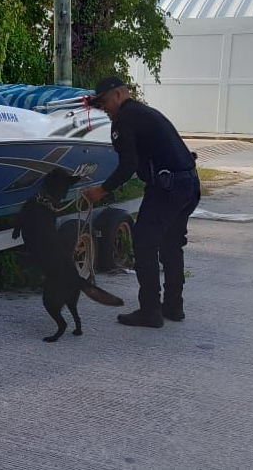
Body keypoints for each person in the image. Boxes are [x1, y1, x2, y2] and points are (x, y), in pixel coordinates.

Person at [82, 77, 200, 329]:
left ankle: (150, 311)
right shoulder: (145, 112)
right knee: (171, 244)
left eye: (104, 103)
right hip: (188, 183)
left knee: (144, 243)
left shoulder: (124, 119)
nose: (105, 109)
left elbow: (128, 166)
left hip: (166, 189)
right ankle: (173, 307)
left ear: (117, 95)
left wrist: (101, 190)